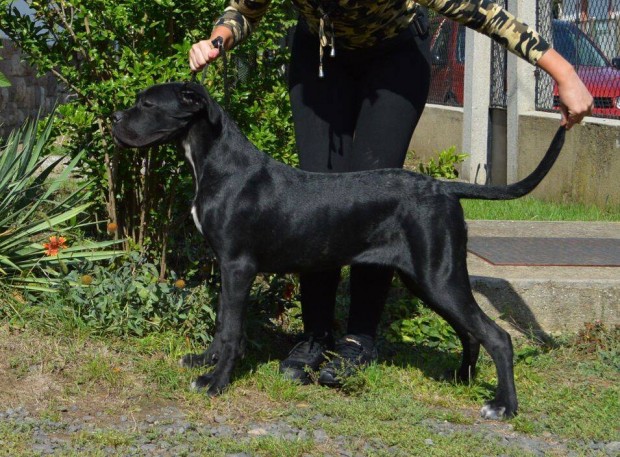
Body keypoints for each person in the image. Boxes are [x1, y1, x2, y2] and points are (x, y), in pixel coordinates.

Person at [189, 0, 593, 386]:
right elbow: (244, 10)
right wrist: (218, 39)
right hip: (320, 60)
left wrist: (564, 73)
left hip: (393, 59)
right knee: (311, 193)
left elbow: (484, 13)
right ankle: (315, 334)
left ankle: (360, 337)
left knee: (374, 196)